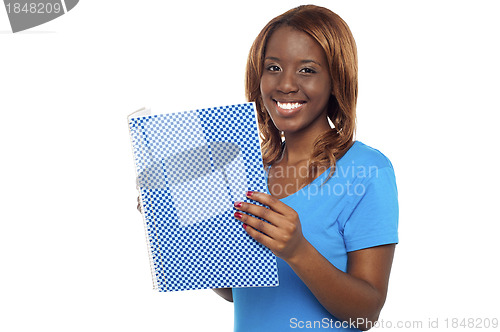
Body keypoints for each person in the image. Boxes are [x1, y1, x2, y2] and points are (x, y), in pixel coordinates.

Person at [213, 5, 399, 331]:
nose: (285, 84)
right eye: (273, 67)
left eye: (307, 70)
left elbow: (367, 314)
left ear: (336, 79)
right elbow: (236, 292)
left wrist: (298, 250)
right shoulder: (248, 172)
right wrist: (175, 228)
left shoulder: (367, 171)